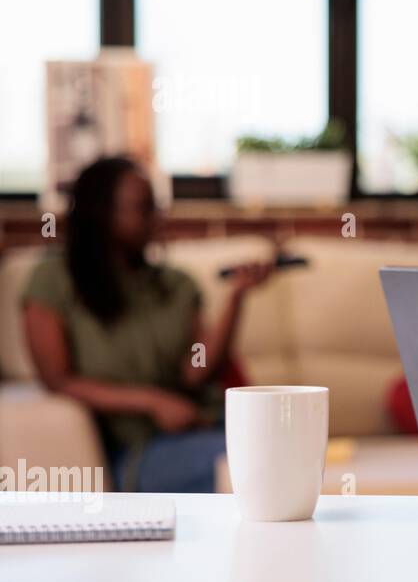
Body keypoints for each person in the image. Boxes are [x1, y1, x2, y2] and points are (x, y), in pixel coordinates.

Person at [22, 157, 274, 491]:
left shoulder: (176, 284)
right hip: (141, 448)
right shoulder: (53, 281)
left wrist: (236, 299)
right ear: (102, 214)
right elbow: (57, 379)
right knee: (256, 462)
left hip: (209, 425)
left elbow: (195, 371)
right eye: (144, 208)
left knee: (277, 450)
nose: (158, 218)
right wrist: (153, 401)